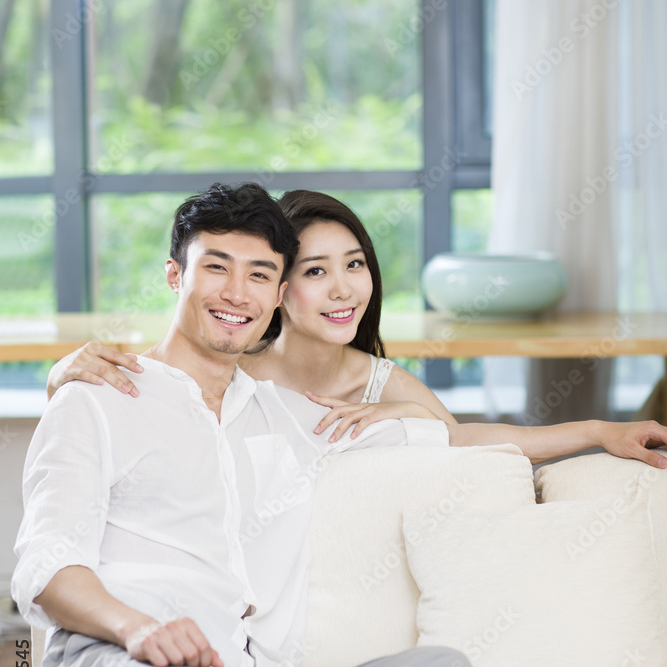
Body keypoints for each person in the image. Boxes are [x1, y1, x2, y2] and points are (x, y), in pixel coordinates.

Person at [12, 183, 483, 667]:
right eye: (216, 267)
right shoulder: (98, 397)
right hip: (106, 663)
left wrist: (597, 432)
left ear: (277, 294)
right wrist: (136, 627)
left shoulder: (281, 414)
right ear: (175, 275)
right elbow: (45, 565)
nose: (236, 292)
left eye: (259, 274)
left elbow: (458, 440)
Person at [48, 189, 667, 469]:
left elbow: (466, 444)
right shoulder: (232, 365)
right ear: (278, 289)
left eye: (355, 265)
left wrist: (596, 431)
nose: (344, 289)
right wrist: (60, 379)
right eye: (316, 271)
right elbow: (146, 390)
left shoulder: (384, 384)